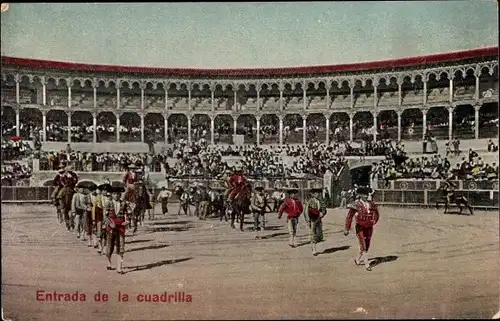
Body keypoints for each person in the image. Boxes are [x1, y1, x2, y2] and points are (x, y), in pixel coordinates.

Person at [344, 186, 380, 271]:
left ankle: (357, 259)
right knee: (363, 243)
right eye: (364, 194)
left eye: (367, 194)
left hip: (369, 226)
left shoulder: (371, 203)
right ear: (360, 195)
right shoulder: (356, 204)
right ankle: (367, 264)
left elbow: (377, 213)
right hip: (360, 226)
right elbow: (349, 216)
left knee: (367, 244)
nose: (366, 196)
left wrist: (374, 221)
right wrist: (347, 228)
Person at [104, 186, 133, 274]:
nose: (116, 196)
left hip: (120, 226)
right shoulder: (108, 203)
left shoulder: (124, 203)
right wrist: (110, 223)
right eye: (114, 194)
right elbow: (105, 216)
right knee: (109, 247)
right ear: (112, 195)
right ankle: (109, 262)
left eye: (118, 194)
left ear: (120, 195)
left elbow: (129, 213)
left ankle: (119, 267)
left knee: (121, 247)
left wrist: (127, 221)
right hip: (111, 226)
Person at [304, 186, 326, 255]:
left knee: (320, 235)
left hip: (318, 219)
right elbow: (309, 210)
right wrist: (308, 220)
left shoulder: (320, 201)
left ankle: (314, 243)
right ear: (313, 194)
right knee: (313, 234)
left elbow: (324, 208)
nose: (317, 194)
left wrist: (323, 212)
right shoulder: (310, 201)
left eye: (318, 193)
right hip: (313, 219)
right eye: (316, 193)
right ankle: (314, 249)